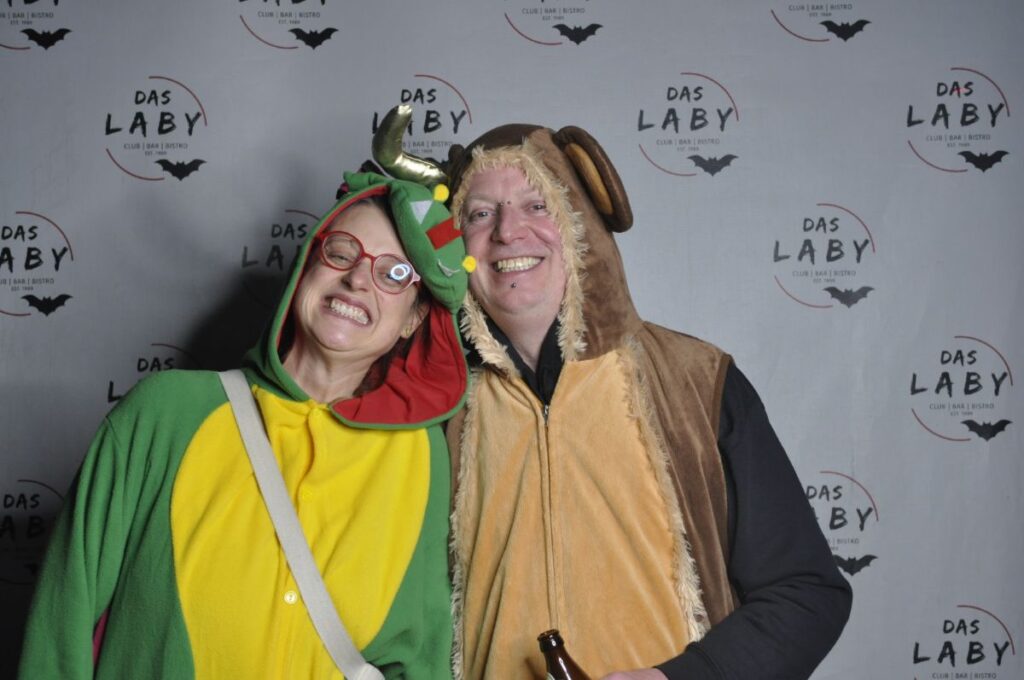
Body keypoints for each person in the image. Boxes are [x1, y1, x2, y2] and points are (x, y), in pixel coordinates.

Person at [373, 116, 852, 679]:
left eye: (537, 205)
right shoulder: (431, 399)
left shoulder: (697, 380)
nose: (507, 232)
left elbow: (806, 593)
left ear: (581, 221)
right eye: (480, 214)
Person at [17, 171, 473, 679]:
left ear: (414, 318)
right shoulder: (165, 413)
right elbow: (62, 621)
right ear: (306, 266)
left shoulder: (421, 456)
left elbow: (424, 652)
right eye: (342, 252)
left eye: (394, 274)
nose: (358, 279)